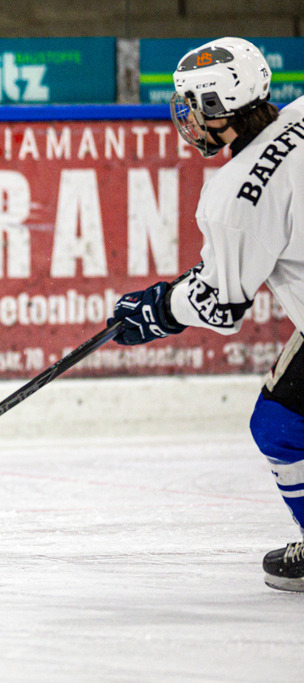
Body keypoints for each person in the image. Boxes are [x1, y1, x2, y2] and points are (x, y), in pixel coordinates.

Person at [107, 37, 304, 592]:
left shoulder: (235, 195)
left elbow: (222, 301)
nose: (186, 116)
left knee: (281, 427)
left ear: (217, 109)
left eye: (193, 104)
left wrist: (157, 309)